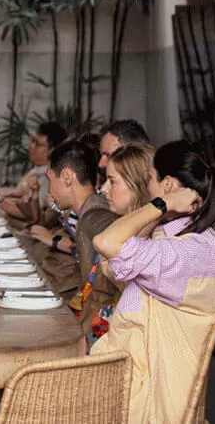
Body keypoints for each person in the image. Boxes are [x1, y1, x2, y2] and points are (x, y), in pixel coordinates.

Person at [91, 140, 215, 423]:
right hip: (129, 378)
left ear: (167, 185)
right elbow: (113, 262)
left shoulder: (189, 252)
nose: (147, 190)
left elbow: (106, 242)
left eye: (150, 180)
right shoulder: (180, 240)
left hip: (147, 398)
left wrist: (162, 204)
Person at [70, 143, 155, 345]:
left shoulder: (147, 240)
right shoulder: (124, 225)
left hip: (125, 342)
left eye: (112, 181)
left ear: (137, 185)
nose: (103, 189)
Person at [42, 140, 119, 338]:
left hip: (103, 330)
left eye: (50, 180)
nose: (49, 190)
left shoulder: (95, 215)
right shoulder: (87, 212)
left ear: (67, 177)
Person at [0, 122, 67, 221]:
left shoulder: (50, 178)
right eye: (32, 141)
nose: (31, 146)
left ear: (52, 150)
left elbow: (30, 214)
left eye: (37, 144)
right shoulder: (36, 171)